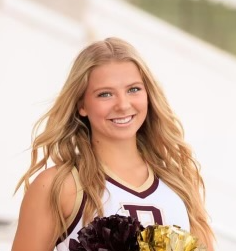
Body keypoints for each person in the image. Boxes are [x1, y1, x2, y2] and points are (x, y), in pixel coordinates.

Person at [11, 37, 215, 251]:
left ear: (148, 95)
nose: (123, 105)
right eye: (105, 94)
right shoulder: (59, 185)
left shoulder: (179, 182)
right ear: (82, 105)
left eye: (133, 89)